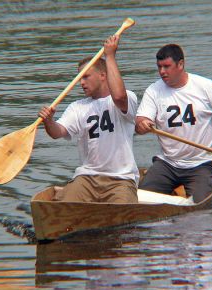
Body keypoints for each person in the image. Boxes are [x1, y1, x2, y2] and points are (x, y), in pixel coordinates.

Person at [135, 44, 212, 203]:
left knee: (200, 207)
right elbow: (140, 122)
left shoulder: (205, 87)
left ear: (181, 64)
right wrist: (143, 124)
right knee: (139, 200)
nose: (162, 72)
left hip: (201, 164)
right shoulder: (153, 91)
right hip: (168, 163)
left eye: (167, 66)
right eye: (159, 67)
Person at [38, 35, 139, 203]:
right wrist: (49, 121)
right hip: (87, 177)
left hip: (121, 179)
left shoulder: (128, 97)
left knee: (123, 220)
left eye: (86, 77)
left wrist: (110, 56)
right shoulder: (77, 107)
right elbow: (57, 132)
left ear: (103, 75)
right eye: (79, 78)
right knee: (62, 206)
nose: (81, 83)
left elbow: (119, 97)